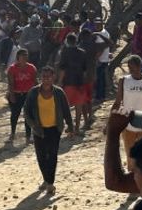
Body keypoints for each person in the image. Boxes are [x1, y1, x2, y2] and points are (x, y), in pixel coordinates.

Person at [22, 66, 75, 194]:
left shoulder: (59, 92)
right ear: (40, 77)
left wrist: (70, 127)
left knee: (52, 156)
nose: (46, 79)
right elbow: (26, 112)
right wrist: (33, 125)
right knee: (41, 157)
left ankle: (50, 183)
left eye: (49, 77)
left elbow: (66, 110)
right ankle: (46, 179)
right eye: (44, 77)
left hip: (54, 129)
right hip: (39, 130)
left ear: (53, 78)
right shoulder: (33, 92)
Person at [111, 55, 142, 163]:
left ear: (140, 66)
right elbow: (118, 102)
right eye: (129, 67)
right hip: (128, 124)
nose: (130, 70)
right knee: (130, 157)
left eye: (133, 67)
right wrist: (111, 120)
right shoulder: (123, 81)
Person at [58, 33, 92, 130]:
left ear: (67, 41)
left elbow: (62, 69)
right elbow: (85, 70)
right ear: (76, 41)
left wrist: (60, 81)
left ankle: (70, 125)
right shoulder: (82, 52)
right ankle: (77, 127)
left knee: (66, 106)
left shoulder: (65, 52)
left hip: (68, 82)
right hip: (80, 82)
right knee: (79, 106)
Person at [6, 48, 37, 144]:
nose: (25, 57)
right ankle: (12, 133)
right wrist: (11, 95)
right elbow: (11, 83)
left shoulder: (32, 68)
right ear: (17, 57)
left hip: (28, 94)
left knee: (28, 115)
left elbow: (35, 82)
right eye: (22, 55)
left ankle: (28, 136)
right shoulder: (12, 69)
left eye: (26, 55)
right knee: (15, 114)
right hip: (16, 93)